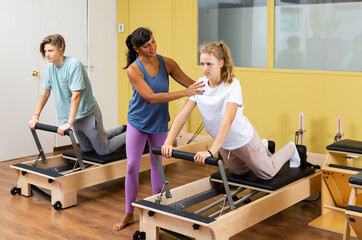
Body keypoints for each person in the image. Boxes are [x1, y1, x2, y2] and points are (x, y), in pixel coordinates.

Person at [162, 40, 301, 181]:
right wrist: (168, 141)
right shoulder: (200, 84)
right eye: (202, 64)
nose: (205, 68)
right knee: (240, 172)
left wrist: (211, 151)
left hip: (242, 139)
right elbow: (182, 115)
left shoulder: (232, 85)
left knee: (267, 173)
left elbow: (228, 120)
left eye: (209, 64)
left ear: (221, 63)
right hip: (224, 142)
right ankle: (263, 147)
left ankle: (291, 149)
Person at [112, 27, 204, 231]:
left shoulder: (167, 63)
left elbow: (191, 84)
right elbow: (151, 97)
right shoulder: (133, 69)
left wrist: (214, 85)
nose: (153, 47)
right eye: (147, 45)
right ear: (137, 49)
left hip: (159, 122)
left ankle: (158, 210)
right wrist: (184, 93)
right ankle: (128, 213)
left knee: (157, 165)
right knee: (132, 166)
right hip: (138, 122)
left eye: (154, 41)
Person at [28, 34, 126, 155]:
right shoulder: (50, 67)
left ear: (61, 50)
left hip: (87, 114)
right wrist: (35, 115)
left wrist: (68, 124)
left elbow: (76, 95)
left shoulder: (74, 65)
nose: (47, 54)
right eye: (45, 51)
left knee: (103, 150)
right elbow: (45, 92)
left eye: (50, 50)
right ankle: (121, 128)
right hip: (74, 117)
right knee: (87, 149)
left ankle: (131, 133)